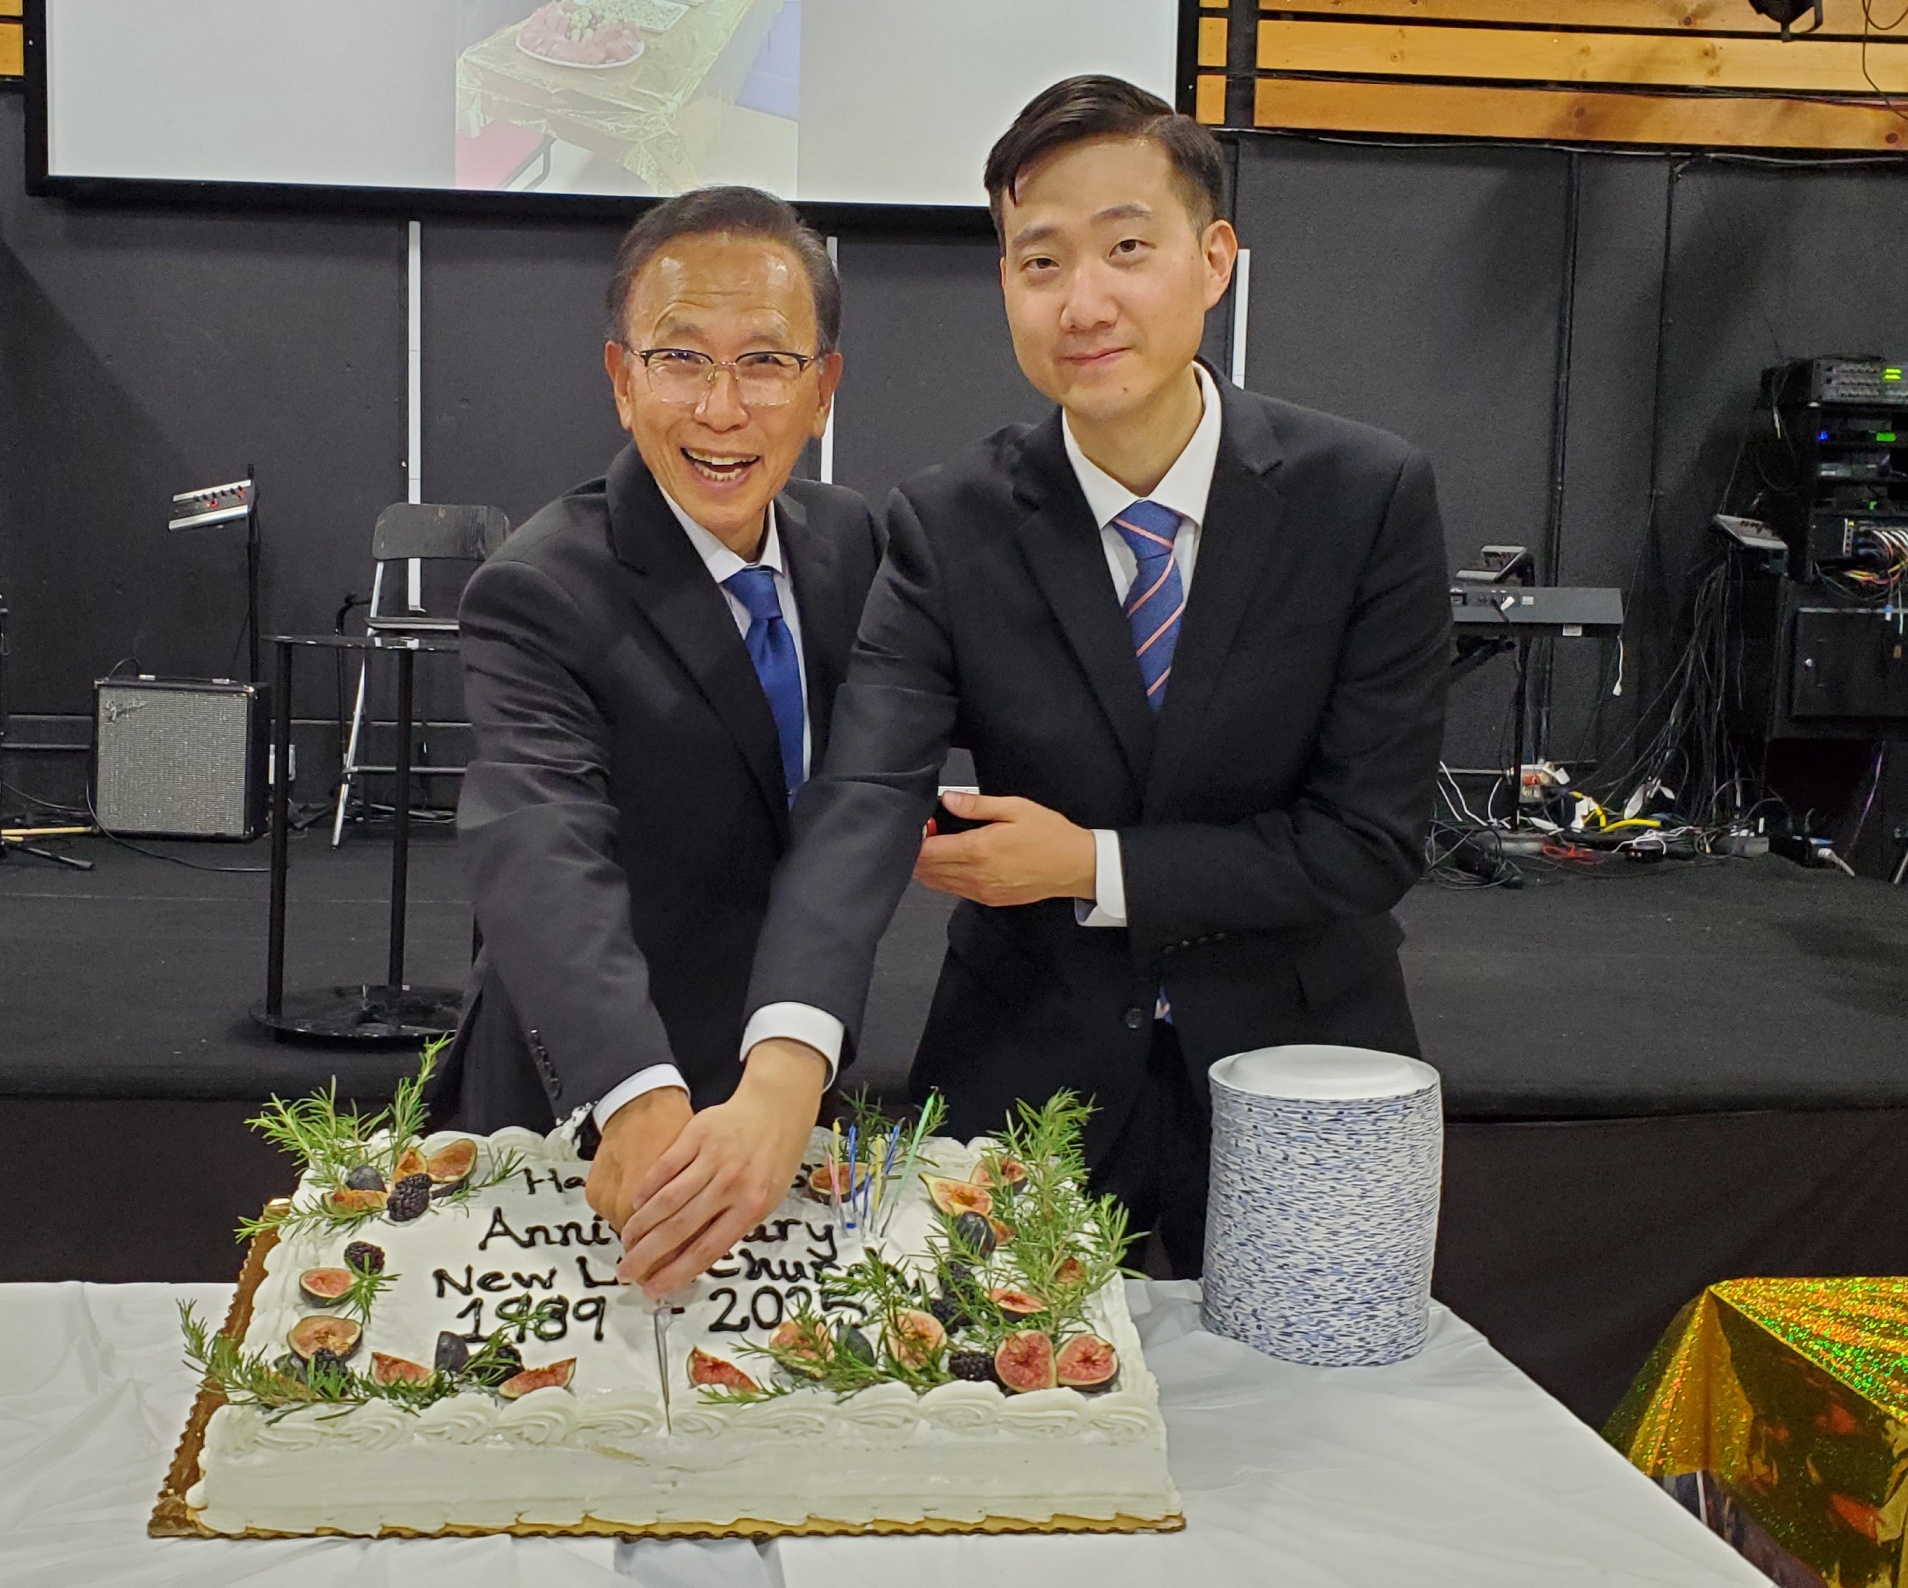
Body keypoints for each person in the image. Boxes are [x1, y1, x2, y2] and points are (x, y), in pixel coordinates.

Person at [615, 77, 1451, 1296]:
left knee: (1326, 1401)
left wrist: (1089, 866)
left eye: (1126, 248)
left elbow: (1366, 842)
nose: (1083, 301)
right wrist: (786, 1061)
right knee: (978, 1402)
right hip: (1024, 1067)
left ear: (1213, 260)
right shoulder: (948, 524)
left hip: (1302, 1066)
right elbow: (864, 796)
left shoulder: (1362, 498)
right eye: (1040, 262)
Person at [437, 186, 880, 1235]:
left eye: (765, 361)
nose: (721, 409)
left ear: (822, 390)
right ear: (622, 381)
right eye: (681, 358)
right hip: (593, 1098)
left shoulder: (850, 542)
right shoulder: (540, 587)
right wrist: (632, 1089)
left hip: (784, 1078)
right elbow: (539, 841)